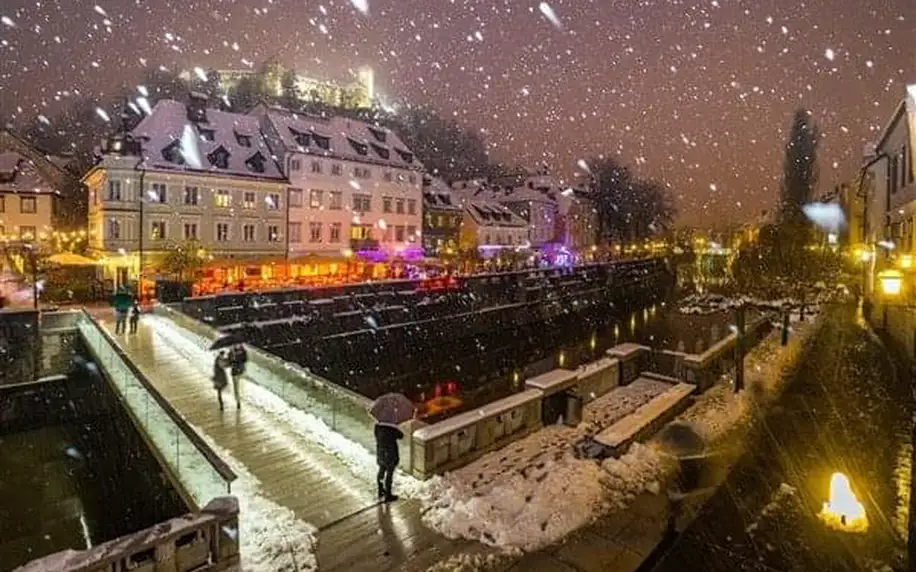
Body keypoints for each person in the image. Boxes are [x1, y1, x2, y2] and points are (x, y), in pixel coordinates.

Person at [374, 422, 404, 503]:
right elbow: (401, 436)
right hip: (390, 453)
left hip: (380, 451)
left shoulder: (377, 425)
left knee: (381, 469)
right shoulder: (391, 428)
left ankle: (380, 490)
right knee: (389, 473)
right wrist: (396, 427)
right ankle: (388, 494)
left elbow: (376, 435)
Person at [229, 343, 247, 408]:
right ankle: (238, 401)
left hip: (239, 371)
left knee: (239, 387)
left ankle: (239, 399)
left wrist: (236, 358)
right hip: (236, 371)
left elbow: (245, 359)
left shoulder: (243, 351)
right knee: (236, 387)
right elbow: (230, 361)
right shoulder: (232, 351)